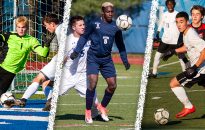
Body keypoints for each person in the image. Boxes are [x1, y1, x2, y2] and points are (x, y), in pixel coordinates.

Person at [70, 2, 130, 124]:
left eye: (112, 11)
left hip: (107, 59)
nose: (110, 14)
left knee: (113, 85)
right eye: (108, 11)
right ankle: (88, 112)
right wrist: (77, 51)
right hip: (93, 58)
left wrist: (125, 60)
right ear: (102, 12)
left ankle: (102, 107)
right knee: (92, 83)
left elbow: (120, 44)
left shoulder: (116, 27)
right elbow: (84, 37)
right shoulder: (94, 23)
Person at [15, 13, 61, 108]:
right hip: (71, 62)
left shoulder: (59, 31)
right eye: (19, 27)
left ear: (52, 24)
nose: (46, 28)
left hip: (61, 60)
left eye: (46, 25)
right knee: (46, 83)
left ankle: (23, 99)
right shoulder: (65, 28)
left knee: (38, 79)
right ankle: (50, 100)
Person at [165, 12, 205, 118]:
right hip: (201, 67)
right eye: (177, 22)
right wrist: (174, 51)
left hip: (201, 69)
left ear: (188, 22)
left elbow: (204, 51)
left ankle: (188, 106)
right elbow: (188, 47)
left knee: (173, 83)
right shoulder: (186, 32)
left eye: (181, 22)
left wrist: (195, 67)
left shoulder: (191, 34)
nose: (179, 25)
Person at [0, 16, 50, 100]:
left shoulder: (31, 40)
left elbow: (43, 54)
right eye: (18, 27)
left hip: (10, 72)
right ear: (16, 27)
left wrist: (46, 45)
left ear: (27, 27)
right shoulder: (9, 35)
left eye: (23, 27)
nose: (21, 29)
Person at [149, 0, 187, 78]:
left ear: (174, 5)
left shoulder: (177, 14)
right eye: (168, 4)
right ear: (166, 5)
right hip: (165, 40)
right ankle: (154, 73)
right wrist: (158, 31)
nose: (170, 6)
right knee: (157, 56)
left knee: (181, 58)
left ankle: (186, 73)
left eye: (171, 4)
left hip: (176, 41)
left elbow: (183, 26)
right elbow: (161, 23)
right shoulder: (164, 14)